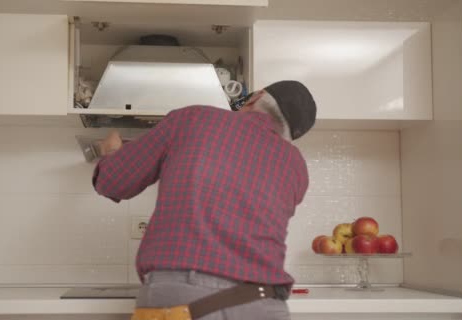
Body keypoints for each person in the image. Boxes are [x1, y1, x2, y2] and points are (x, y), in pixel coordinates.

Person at [92, 80, 316, 320]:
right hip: (266, 304)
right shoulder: (296, 165)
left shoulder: (194, 118)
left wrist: (112, 152)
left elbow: (113, 181)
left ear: (254, 98)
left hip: (184, 298)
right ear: (290, 134)